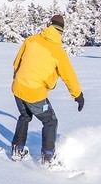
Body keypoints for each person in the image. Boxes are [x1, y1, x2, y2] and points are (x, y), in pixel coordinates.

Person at [10, 13, 84, 165]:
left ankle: (17, 149)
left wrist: (17, 78)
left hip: (18, 88)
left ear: (49, 25)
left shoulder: (31, 40)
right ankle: (48, 157)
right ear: (61, 32)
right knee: (50, 121)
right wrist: (78, 95)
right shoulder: (58, 52)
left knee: (25, 116)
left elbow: (17, 62)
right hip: (35, 93)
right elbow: (69, 76)